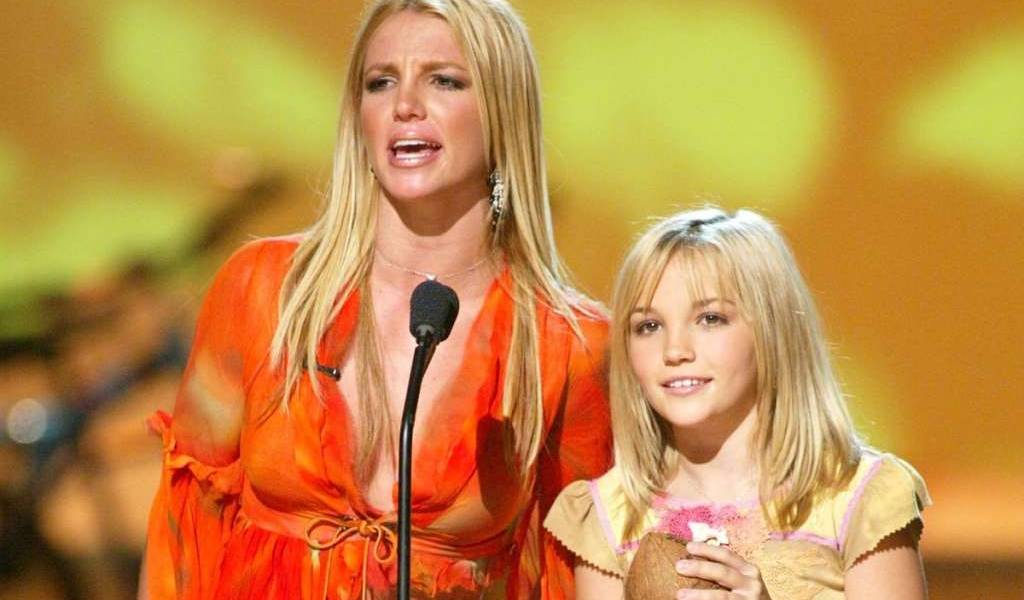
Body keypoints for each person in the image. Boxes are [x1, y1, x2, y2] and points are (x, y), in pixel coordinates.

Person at [141, 1, 611, 598]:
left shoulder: (568, 345)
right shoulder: (264, 288)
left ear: (504, 110)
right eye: (380, 82)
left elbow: (583, 569)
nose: (404, 104)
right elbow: (183, 534)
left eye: (444, 80)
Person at [544, 208, 930, 599]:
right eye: (649, 326)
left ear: (772, 330)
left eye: (710, 319)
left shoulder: (855, 496)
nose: (675, 350)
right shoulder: (611, 516)